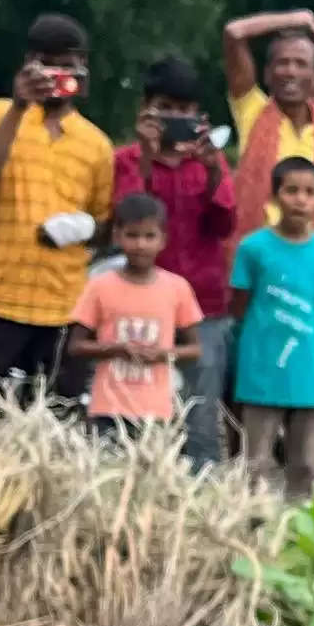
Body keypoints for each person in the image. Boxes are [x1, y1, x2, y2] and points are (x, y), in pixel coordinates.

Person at [0, 15, 119, 415]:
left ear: (83, 69)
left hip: (64, 308)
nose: (59, 75)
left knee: (57, 425)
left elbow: (105, 227)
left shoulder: (96, 143)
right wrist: (19, 107)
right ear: (29, 64)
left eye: (70, 65)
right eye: (49, 65)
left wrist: (82, 228)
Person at [114, 56, 240, 464]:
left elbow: (224, 224)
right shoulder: (128, 160)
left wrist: (213, 174)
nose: (177, 118)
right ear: (146, 109)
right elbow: (128, 218)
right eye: (167, 108)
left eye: (186, 111)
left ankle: (202, 507)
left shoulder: (210, 161)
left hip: (203, 306)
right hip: (141, 305)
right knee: (139, 413)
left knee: (201, 415)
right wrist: (148, 158)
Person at [227, 153, 314, 498]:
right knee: (255, 464)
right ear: (275, 195)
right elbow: (240, 309)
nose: (300, 199)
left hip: (310, 375)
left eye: (309, 192)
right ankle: (251, 534)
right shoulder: (253, 248)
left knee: (306, 465)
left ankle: (296, 537)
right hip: (262, 374)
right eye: (291, 190)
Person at [73, 192, 203, 440]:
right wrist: (116, 349)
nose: (140, 244)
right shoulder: (100, 286)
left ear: (162, 240)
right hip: (107, 407)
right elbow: (76, 345)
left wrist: (162, 354)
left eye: (149, 236)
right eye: (132, 235)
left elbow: (195, 349)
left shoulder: (176, 288)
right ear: (117, 236)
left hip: (156, 408)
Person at [217, 8, 314, 235]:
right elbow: (234, 33)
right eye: (283, 63)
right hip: (256, 254)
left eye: (301, 64)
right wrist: (299, 19)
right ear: (267, 73)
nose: (290, 72)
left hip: (311, 256)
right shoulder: (253, 111)